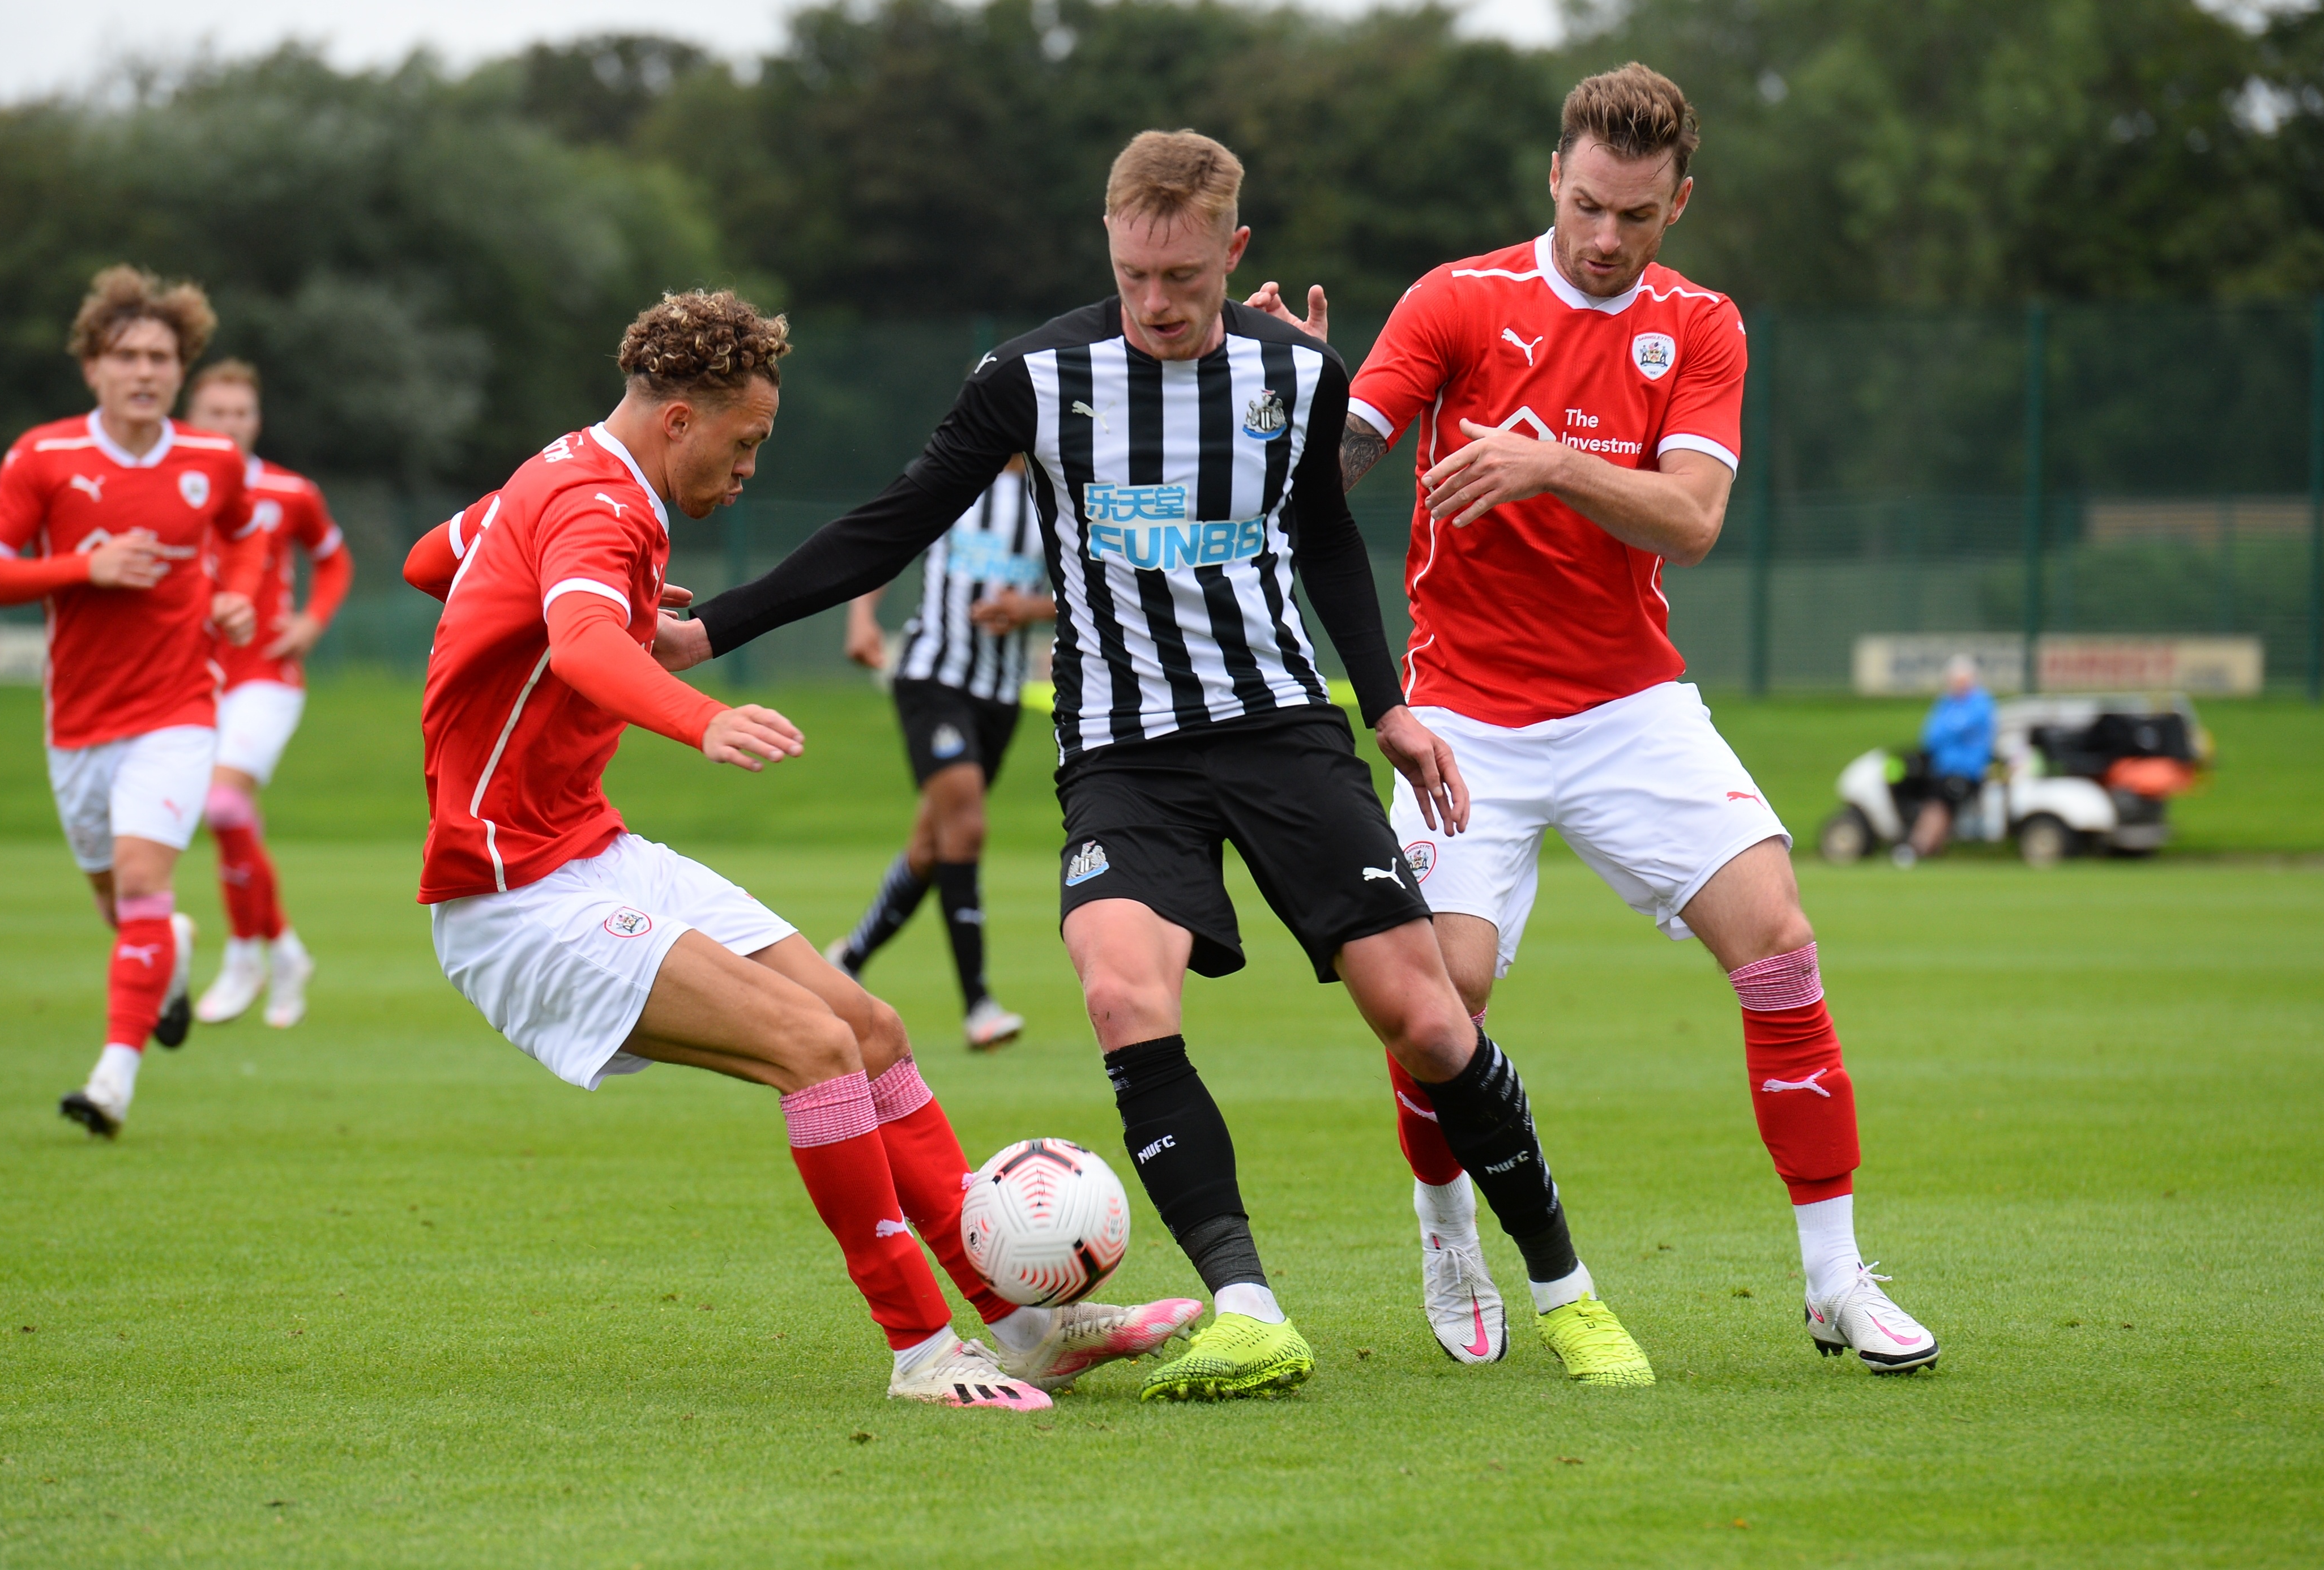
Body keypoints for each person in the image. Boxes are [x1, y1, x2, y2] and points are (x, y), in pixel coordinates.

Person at [656, 133, 1653, 1399]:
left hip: (1284, 727)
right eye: (1134, 275)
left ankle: (1568, 1295)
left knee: (1425, 1019)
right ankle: (1247, 1309)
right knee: (1123, 995)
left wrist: (1390, 706)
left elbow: (1329, 542)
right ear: (1110, 250)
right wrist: (710, 630)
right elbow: (891, 525)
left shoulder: (1291, 370)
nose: (1156, 302)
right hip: (1124, 750)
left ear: (1232, 255)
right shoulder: (1032, 377)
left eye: (1182, 276)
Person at [1250, 62, 1939, 1373]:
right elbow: (1335, 472)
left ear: (1679, 201)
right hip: (1464, 713)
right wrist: (1281, 398)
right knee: (1437, 1002)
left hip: (1632, 705)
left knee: (1782, 945)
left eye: (1635, 213)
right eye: (1585, 206)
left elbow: (1692, 515)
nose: (1606, 236)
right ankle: (1447, 1226)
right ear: (1551, 182)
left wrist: (1549, 460)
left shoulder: (1706, 327)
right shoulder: (1459, 300)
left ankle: (1839, 1279)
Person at [395, 291, 1199, 1410]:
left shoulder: (562, 471)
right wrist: (698, 716)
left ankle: (1025, 1326)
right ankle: (922, 1351)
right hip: (511, 896)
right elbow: (580, 645)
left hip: (586, 846)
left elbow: (432, 561)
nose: (750, 468)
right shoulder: (599, 504)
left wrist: (526, 600)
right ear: (678, 421)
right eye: (745, 443)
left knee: (869, 1029)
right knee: (813, 1047)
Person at [0, 265, 262, 1138]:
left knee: (139, 884)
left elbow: (245, 537)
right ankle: (171, 959)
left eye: (161, 356)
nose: (144, 370)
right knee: (119, 906)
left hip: (176, 713)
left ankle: (111, 1083)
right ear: (92, 366)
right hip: (77, 727)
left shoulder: (211, 460)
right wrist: (80, 567)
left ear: (181, 368)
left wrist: (237, 595)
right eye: (124, 354)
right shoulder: (43, 457)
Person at [828, 457, 1052, 1051]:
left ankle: (846, 959)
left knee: (934, 844)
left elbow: (1093, 587)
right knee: (967, 827)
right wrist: (861, 617)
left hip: (1001, 695)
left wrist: (1029, 610)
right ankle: (978, 1004)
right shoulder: (952, 478)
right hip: (934, 678)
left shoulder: (1057, 489)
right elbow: (889, 541)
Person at [176, 360, 356, 1026]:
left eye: (241, 414)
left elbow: (334, 558)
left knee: (223, 807)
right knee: (230, 818)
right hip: (190, 678)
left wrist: (310, 622)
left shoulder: (288, 491)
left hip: (265, 677)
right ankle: (285, 951)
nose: (229, 425)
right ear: (190, 419)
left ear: (257, 421)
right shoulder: (174, 487)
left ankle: (246, 953)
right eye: (216, 414)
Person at [1905, 655, 1994, 861]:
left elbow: (1957, 728)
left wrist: (1951, 729)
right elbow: (1931, 736)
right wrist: (1952, 729)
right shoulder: (1946, 703)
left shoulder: (1980, 703)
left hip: (1968, 771)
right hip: (1942, 769)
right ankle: (1930, 848)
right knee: (1931, 798)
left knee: (1940, 802)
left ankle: (1919, 847)